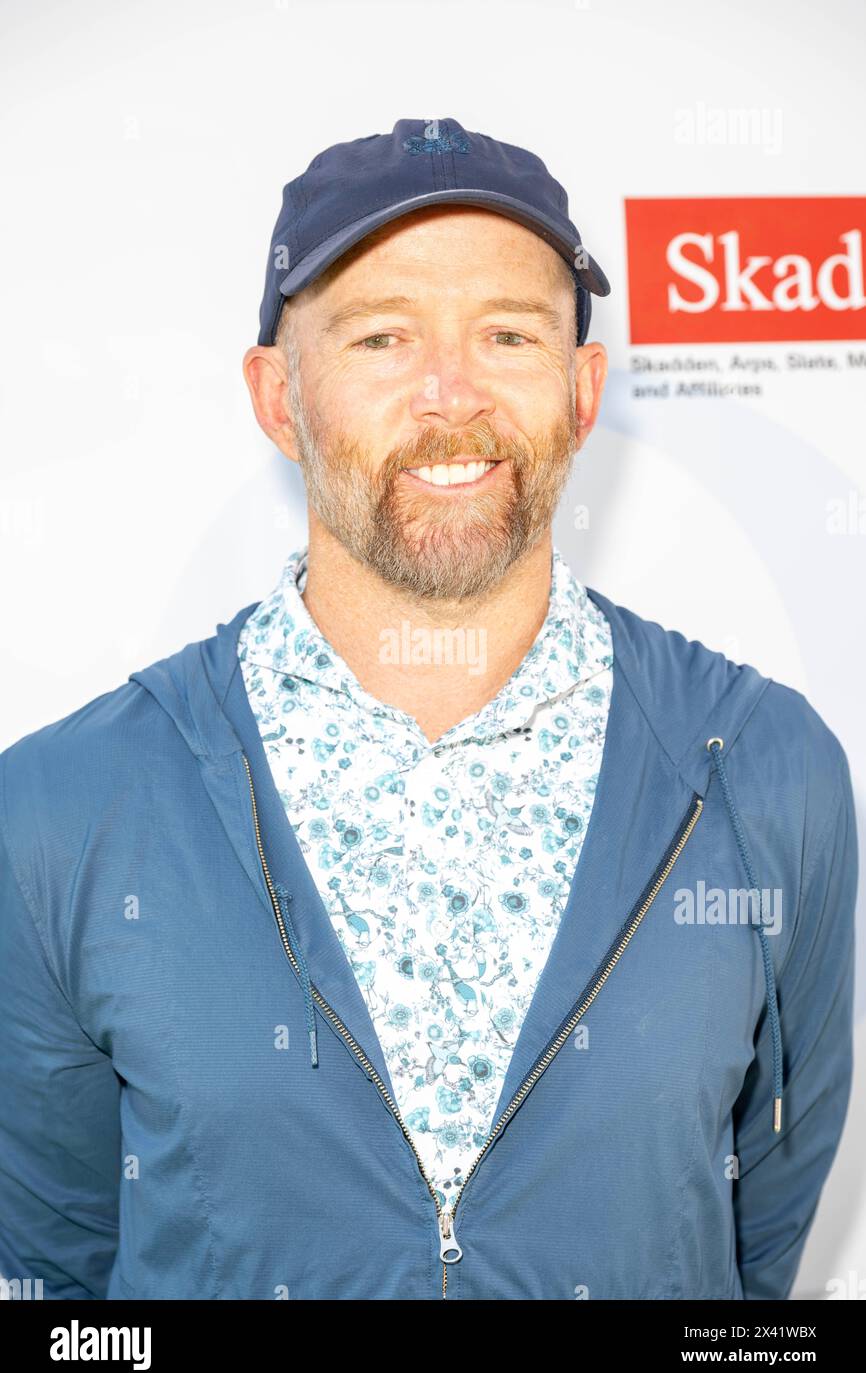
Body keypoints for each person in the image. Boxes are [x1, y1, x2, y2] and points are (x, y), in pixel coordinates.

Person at [0, 118, 856, 1301]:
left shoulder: (766, 775)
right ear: (277, 397)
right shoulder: (59, 809)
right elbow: (59, 1276)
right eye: (383, 335)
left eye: (506, 334)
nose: (449, 394)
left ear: (581, 387)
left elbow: (751, 1261)